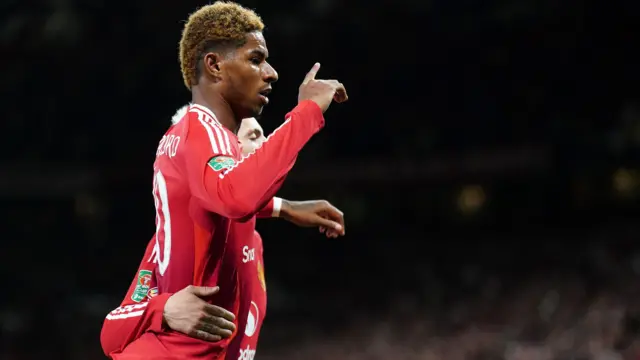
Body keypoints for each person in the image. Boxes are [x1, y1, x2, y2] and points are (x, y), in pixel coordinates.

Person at [103, 1, 347, 358]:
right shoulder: (200, 131)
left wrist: (284, 208)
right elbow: (233, 195)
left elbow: (224, 196)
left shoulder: (195, 163)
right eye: (255, 58)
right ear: (215, 65)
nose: (271, 72)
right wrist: (306, 112)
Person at [100, 116, 345, 358]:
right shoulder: (169, 245)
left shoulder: (254, 242)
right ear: (227, 154)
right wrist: (163, 309)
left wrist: (286, 207)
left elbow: (236, 204)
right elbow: (111, 333)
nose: (264, 144)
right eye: (253, 136)